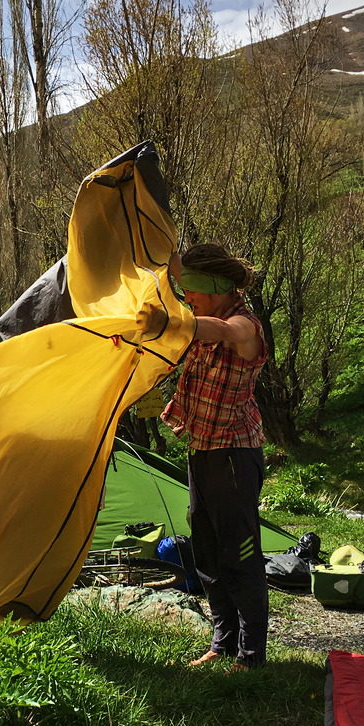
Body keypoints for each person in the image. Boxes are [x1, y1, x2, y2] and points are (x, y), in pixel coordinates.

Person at [159, 243, 269, 670]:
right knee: (206, 551)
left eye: (194, 292)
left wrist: (170, 322)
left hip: (234, 457)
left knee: (239, 553)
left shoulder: (245, 325)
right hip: (202, 452)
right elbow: (172, 265)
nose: (187, 298)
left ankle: (251, 655)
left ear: (217, 288)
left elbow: (225, 332)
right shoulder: (200, 312)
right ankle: (221, 644)